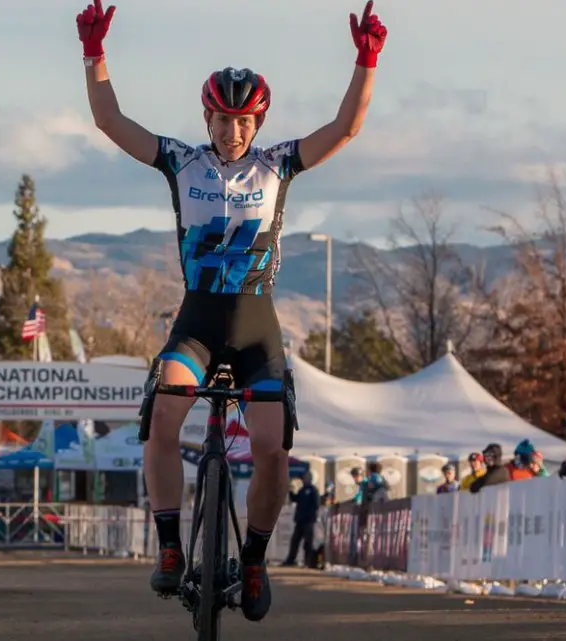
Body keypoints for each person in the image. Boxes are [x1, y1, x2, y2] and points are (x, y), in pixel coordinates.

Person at [76, 0, 389, 620]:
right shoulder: (180, 160)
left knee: (272, 450)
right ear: (208, 117)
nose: (233, 130)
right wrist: (94, 54)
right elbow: (110, 121)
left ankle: (252, 558)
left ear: (258, 121)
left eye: (244, 120)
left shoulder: (278, 167)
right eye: (223, 119)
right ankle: (170, 548)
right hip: (196, 322)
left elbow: (346, 128)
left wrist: (366, 61)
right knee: (164, 417)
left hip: (254, 327)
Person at [282, 472, 320, 567]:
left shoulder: (313, 490)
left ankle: (308, 561)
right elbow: (295, 499)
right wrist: (291, 491)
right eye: (304, 478)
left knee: (308, 542)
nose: (304, 480)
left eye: (306, 478)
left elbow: (317, 504)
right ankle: (290, 560)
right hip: (300, 520)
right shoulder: (302, 490)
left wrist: (310, 514)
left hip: (308, 520)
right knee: (295, 540)